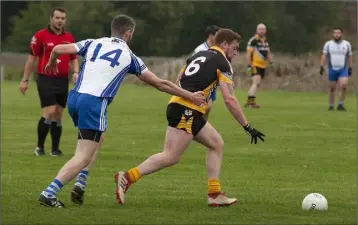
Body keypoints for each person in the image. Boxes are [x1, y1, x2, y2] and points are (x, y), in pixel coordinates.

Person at [37, 14, 205, 208]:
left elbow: (58, 49)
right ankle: (50, 192)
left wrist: (51, 62)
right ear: (129, 34)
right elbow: (160, 83)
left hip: (74, 97)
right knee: (82, 156)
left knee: (97, 137)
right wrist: (190, 96)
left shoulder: (93, 42)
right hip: (94, 102)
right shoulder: (129, 56)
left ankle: (81, 181)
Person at [115, 29, 265, 207]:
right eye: (234, 47)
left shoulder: (198, 54)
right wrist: (247, 126)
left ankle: (214, 194)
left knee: (216, 144)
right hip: (188, 110)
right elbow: (230, 99)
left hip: (179, 104)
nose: (236, 51)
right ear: (224, 44)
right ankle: (127, 177)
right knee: (170, 156)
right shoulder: (223, 63)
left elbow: (179, 79)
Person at [19, 7, 79, 157]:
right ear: (51, 19)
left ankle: (55, 149)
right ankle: (39, 147)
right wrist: (25, 80)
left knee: (58, 114)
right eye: (57, 18)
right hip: (45, 78)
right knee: (49, 111)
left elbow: (73, 58)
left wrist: (76, 72)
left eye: (63, 18)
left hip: (62, 80)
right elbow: (31, 59)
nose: (60, 21)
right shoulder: (40, 36)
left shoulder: (69, 38)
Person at [175, 25, 220, 120]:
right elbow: (187, 65)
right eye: (217, 35)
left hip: (210, 83)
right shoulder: (200, 49)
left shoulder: (216, 49)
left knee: (207, 109)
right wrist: (178, 81)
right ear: (211, 36)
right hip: (199, 84)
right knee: (205, 107)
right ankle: (195, 128)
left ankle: (200, 130)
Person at [320, 27, 353, 111]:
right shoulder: (328, 44)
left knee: (344, 85)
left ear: (341, 34)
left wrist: (350, 67)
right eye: (334, 33)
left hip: (343, 69)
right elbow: (324, 55)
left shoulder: (347, 44)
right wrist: (322, 66)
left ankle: (340, 105)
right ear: (332, 34)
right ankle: (331, 105)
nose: (336, 34)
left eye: (338, 33)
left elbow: (349, 56)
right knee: (332, 88)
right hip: (332, 69)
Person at [245, 23, 273, 108]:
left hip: (263, 66)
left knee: (257, 84)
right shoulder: (253, 40)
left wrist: (271, 62)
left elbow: (268, 52)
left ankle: (251, 101)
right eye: (260, 29)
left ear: (265, 31)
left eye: (263, 29)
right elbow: (248, 54)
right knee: (255, 82)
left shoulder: (265, 40)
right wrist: (249, 66)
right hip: (255, 65)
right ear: (257, 30)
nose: (262, 31)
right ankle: (250, 103)